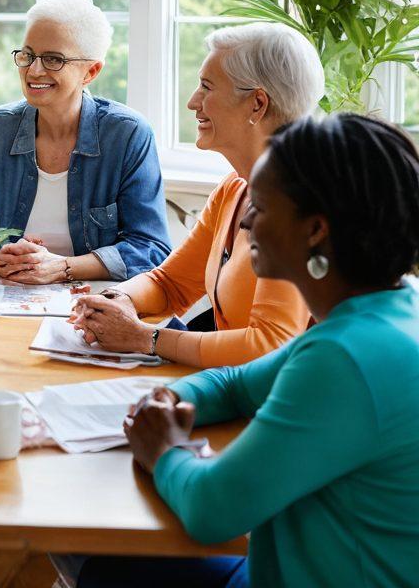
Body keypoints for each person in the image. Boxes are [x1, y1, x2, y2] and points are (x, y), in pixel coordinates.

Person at [62, 113, 419, 588]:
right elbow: (235, 383)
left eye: (263, 207)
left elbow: (214, 510)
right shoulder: (389, 310)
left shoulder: (345, 359)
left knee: (84, 545)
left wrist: (164, 448)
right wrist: (169, 400)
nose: (247, 219)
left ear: (315, 230)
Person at [70, 23, 324, 368]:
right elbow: (170, 283)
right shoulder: (235, 189)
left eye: (206, 87)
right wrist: (120, 298)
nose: (193, 102)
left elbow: (271, 345)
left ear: (257, 104)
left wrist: (146, 338)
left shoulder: (300, 203)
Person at [0, 0, 171, 284]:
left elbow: (151, 248)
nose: (34, 70)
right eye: (27, 55)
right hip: (6, 295)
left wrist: (63, 267)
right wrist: (3, 254)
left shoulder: (128, 134)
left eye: (53, 59)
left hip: (94, 303)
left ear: (90, 71)